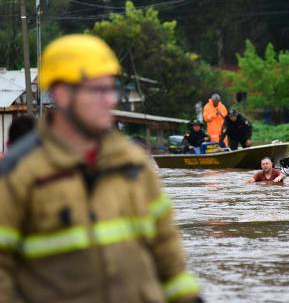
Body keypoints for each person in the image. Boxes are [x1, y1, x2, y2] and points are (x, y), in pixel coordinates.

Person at [0, 34, 202, 303]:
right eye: (97, 90)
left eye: (112, 88)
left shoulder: (135, 164)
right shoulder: (18, 174)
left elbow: (169, 260)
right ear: (62, 94)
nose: (110, 100)